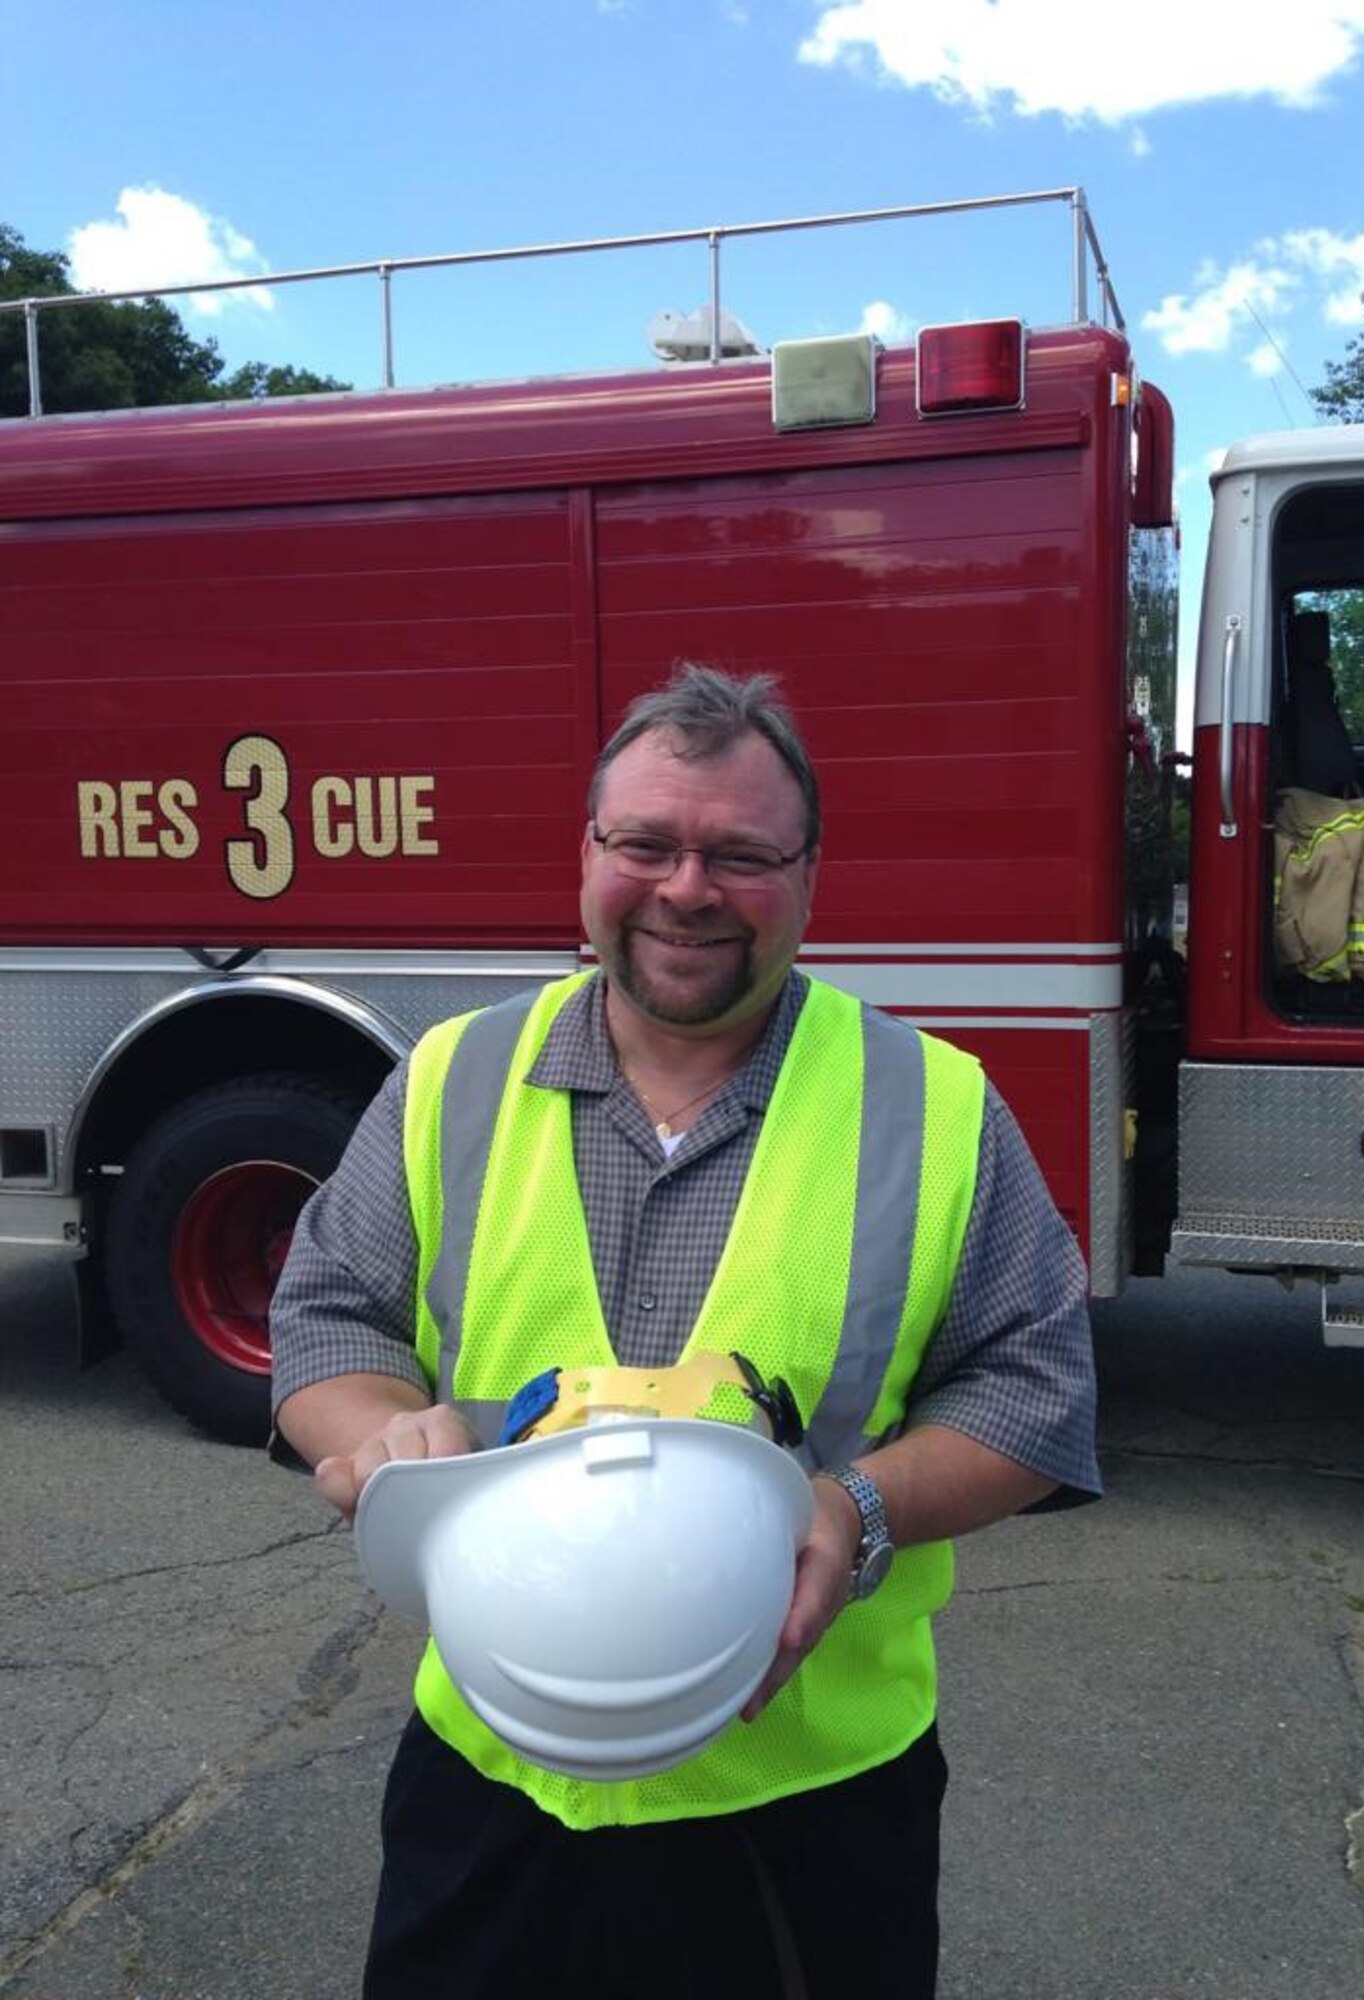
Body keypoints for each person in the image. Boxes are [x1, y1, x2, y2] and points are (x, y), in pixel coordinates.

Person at [271, 663, 1100, 2000]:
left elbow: (1035, 1393)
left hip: (806, 1803)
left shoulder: (933, 1103)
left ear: (811, 877)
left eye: (741, 855)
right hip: (494, 1777)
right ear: (586, 855)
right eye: (644, 842)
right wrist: (382, 1432)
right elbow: (327, 1321)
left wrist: (861, 1506)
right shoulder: (451, 1077)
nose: (685, 889)